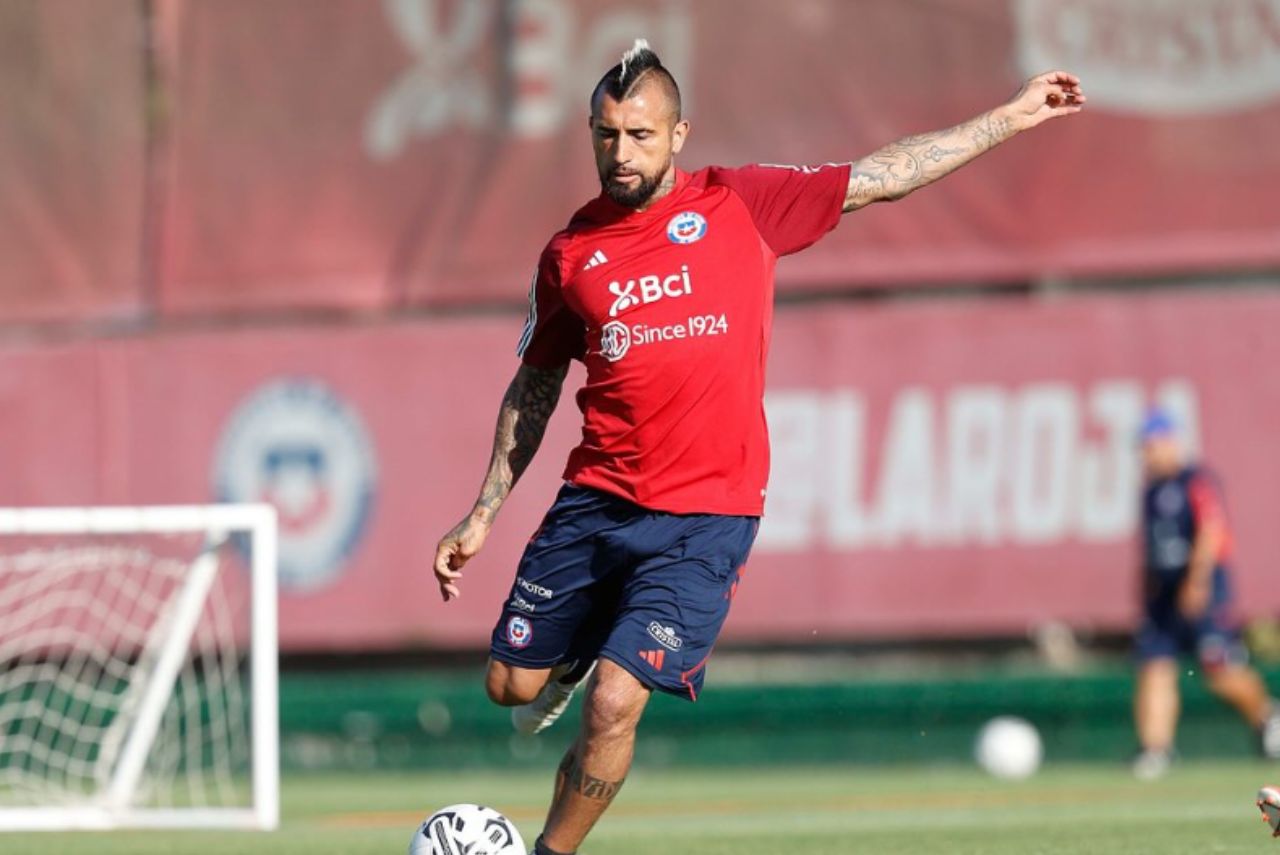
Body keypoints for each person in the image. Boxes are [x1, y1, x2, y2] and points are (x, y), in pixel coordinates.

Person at [433, 39, 1085, 855]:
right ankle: (566, 657)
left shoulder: (741, 203)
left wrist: (1012, 115)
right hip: (596, 498)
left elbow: (882, 173)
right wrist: (484, 511)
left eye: (641, 134)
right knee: (508, 686)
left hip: (707, 514)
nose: (621, 152)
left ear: (679, 135)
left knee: (613, 703)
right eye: (606, 134)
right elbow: (535, 386)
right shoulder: (571, 254)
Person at [1131, 408, 1280, 780]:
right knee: (1155, 666)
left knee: (1219, 670)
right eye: (1144, 446)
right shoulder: (1150, 490)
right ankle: (1156, 750)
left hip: (1203, 591)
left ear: (1172, 442)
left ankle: (1267, 716)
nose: (1148, 453)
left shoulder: (1195, 480)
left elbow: (1211, 531)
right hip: (1164, 596)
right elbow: (1152, 545)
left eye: (1154, 444)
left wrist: (1197, 581)